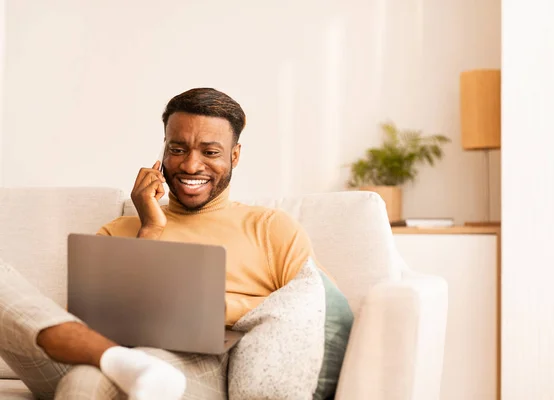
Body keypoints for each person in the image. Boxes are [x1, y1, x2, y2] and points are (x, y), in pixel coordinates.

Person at [0, 88, 325, 399]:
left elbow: (313, 308)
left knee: (88, 379)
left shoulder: (270, 228)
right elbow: (75, 328)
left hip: (193, 366)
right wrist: (151, 228)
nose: (190, 165)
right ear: (162, 151)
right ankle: (120, 360)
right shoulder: (118, 231)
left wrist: (219, 308)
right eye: (177, 149)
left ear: (235, 155)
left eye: (210, 152)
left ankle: (122, 364)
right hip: (92, 350)